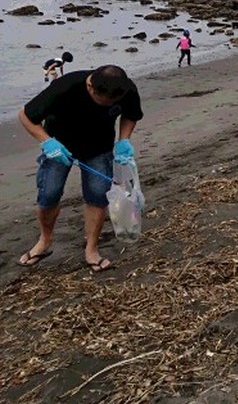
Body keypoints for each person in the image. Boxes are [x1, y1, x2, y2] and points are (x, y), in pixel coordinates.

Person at [17, 64, 143, 272]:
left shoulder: (125, 89)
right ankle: (45, 240)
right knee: (49, 194)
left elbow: (131, 114)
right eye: (106, 101)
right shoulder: (65, 87)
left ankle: (91, 249)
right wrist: (47, 142)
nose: (111, 105)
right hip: (59, 147)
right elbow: (26, 115)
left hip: (99, 148)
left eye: (114, 102)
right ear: (91, 87)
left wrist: (123, 140)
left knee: (97, 196)